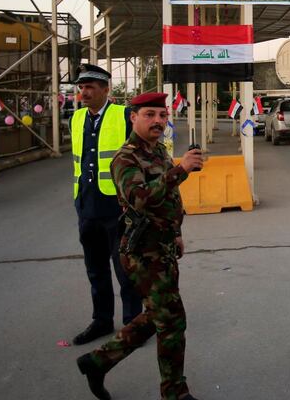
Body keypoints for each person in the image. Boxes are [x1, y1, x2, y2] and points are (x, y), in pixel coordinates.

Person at [77, 92, 203, 400]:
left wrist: (175, 232)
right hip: (142, 252)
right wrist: (181, 169)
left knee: (156, 317)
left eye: (162, 115)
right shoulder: (125, 157)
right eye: (150, 114)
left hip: (163, 246)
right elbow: (140, 198)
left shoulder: (158, 150)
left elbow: (168, 198)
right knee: (172, 322)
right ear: (133, 118)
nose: (158, 121)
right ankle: (175, 393)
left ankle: (97, 362)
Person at [71, 64, 142, 345]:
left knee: (125, 268)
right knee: (95, 268)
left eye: (89, 87)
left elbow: (141, 155)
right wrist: (78, 201)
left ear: (105, 89)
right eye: (81, 87)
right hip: (87, 206)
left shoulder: (124, 116)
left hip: (118, 206)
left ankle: (133, 323)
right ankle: (101, 320)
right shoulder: (76, 119)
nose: (84, 92)